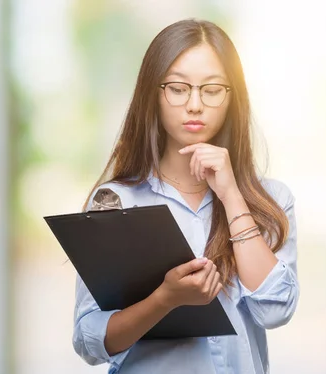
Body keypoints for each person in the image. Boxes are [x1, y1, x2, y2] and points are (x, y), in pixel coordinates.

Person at [72, 19, 299, 374]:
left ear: (232, 96)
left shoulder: (271, 199)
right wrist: (165, 299)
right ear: (154, 93)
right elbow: (89, 340)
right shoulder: (117, 201)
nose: (195, 104)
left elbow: (275, 311)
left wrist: (232, 195)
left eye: (212, 89)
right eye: (178, 88)